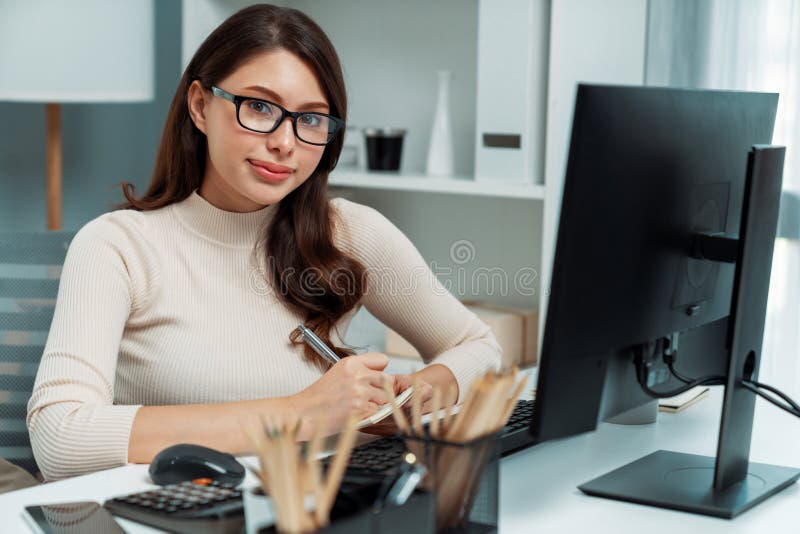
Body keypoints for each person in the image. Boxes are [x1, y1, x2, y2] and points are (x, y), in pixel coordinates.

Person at [26, 4, 501, 481]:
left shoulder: (352, 232)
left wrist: (418, 392)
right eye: (259, 107)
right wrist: (303, 414)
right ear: (200, 106)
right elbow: (60, 436)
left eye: (311, 119)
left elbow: (477, 346)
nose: (284, 142)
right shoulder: (117, 247)